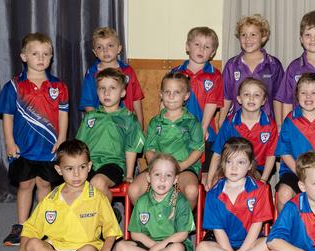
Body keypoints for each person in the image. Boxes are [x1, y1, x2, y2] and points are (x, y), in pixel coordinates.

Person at [6, 139, 121, 251]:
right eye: (70, 169)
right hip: (55, 248)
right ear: (59, 170)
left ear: (89, 166)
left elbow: (111, 229)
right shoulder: (50, 199)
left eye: (82, 167)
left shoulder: (98, 197)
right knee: (32, 245)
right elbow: (30, 228)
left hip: (84, 249)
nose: (77, 174)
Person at [0, 32, 68, 246]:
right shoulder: (14, 86)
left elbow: (64, 114)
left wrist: (62, 139)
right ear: (23, 56)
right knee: (26, 185)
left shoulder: (59, 86)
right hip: (23, 149)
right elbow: (7, 116)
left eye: (46, 54)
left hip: (48, 149)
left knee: (44, 185)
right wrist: (9, 141)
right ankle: (21, 225)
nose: (41, 58)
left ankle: (43, 224)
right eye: (35, 53)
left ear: (51, 57)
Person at [192, 137, 273, 251]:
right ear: (222, 164)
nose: (233, 167)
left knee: (270, 242)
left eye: (240, 162)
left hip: (250, 242)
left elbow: (256, 226)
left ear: (249, 165)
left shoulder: (260, 189)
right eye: (229, 161)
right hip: (221, 243)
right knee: (201, 249)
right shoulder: (213, 193)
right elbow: (218, 230)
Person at [102, 154, 194, 251]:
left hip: (171, 243)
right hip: (149, 243)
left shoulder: (180, 201)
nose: (162, 179)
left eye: (168, 175)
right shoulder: (142, 201)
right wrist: (154, 247)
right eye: (157, 174)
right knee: (120, 247)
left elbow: (182, 234)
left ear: (175, 179)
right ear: (148, 177)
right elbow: (135, 233)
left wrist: (159, 247)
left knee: (177, 249)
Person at [128, 72, 203, 209]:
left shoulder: (192, 122)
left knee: (192, 191)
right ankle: (152, 220)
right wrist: (158, 167)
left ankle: (185, 221)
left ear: (186, 96)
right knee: (133, 190)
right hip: (158, 168)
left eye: (177, 92)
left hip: (184, 168)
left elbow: (198, 150)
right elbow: (149, 150)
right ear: (161, 94)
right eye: (167, 92)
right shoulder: (155, 122)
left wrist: (181, 166)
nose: (171, 96)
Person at [76, 68, 145, 203]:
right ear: (97, 92)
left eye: (112, 88)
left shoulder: (129, 118)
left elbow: (131, 148)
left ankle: (108, 219)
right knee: (72, 183)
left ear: (122, 93)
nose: (106, 93)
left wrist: (129, 175)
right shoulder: (90, 117)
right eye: (102, 88)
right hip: (89, 164)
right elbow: (79, 146)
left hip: (114, 165)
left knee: (98, 182)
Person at [274, 73, 315, 212]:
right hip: (294, 172)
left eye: (313, 93)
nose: (308, 97)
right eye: (303, 93)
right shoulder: (290, 120)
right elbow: (284, 152)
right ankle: (285, 230)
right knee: (283, 195)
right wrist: (301, 173)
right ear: (297, 96)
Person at [171, 26, 223, 184]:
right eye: (197, 44)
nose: (202, 49)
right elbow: (166, 102)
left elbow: (212, 103)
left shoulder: (215, 75)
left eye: (207, 47)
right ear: (187, 46)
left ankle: (204, 207)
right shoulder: (175, 73)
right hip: (179, 134)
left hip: (205, 133)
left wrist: (203, 128)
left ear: (212, 52)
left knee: (206, 177)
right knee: (178, 174)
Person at [207, 77, 277, 188]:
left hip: (257, 169)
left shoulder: (270, 125)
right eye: (246, 94)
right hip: (230, 167)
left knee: (248, 185)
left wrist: (264, 180)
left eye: (257, 95)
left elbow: (271, 155)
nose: (251, 98)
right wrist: (210, 178)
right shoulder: (230, 123)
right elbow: (217, 153)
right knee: (218, 186)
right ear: (239, 99)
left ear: (264, 101)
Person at [218, 14, 284, 125]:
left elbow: (278, 99)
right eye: (243, 34)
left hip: (266, 126)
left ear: (263, 37)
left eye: (253, 34)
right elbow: (226, 97)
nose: (248, 39)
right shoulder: (232, 65)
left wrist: (279, 125)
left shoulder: (273, 65)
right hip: (237, 125)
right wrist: (221, 122)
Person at [79, 27, 144, 123]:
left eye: (110, 45)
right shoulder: (92, 74)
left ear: (119, 49)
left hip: (126, 124)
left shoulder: (128, 71)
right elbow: (89, 105)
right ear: (95, 52)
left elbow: (136, 98)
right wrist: (98, 125)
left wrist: (140, 122)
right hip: (103, 125)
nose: (105, 50)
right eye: (99, 47)